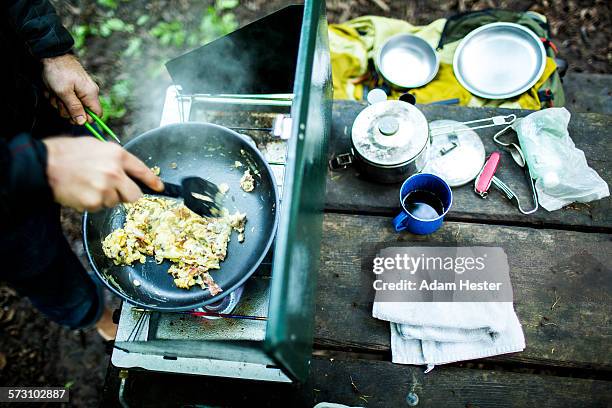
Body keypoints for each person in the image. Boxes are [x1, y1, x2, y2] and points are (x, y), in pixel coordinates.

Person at [0, 1, 164, 339]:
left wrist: (50, 49)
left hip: (26, 94)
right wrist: (31, 166)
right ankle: (100, 319)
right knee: (41, 263)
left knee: (98, 150)